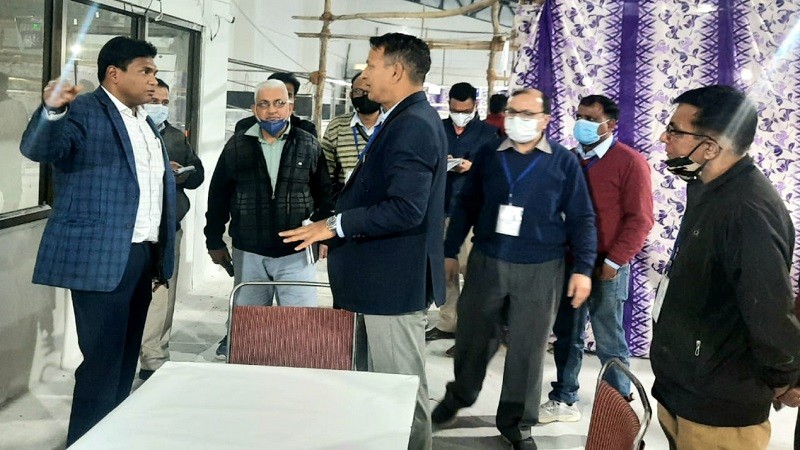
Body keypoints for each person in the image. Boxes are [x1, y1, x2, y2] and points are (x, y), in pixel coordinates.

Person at [280, 32, 447, 450]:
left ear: (397, 70)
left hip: (390, 285)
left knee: (399, 389)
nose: (365, 75)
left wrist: (334, 225)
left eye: (371, 66)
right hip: (376, 281)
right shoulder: (401, 117)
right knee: (375, 387)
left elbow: (406, 208)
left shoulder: (413, 124)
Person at [19, 36, 175, 445]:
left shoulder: (144, 121)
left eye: (155, 72)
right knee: (102, 362)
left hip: (142, 254)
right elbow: (40, 148)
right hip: (101, 257)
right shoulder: (85, 110)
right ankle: (86, 441)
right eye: (145, 71)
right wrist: (52, 110)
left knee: (125, 359)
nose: (153, 80)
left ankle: (112, 436)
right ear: (114, 74)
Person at [431, 88, 596, 450]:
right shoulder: (489, 153)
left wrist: (583, 268)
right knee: (472, 337)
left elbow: (582, 217)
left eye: (527, 114)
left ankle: (517, 423)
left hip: (541, 267)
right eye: (512, 113)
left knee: (527, 349)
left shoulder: (563, 162)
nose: (517, 120)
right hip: (487, 260)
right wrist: (449, 250)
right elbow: (467, 204)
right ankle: (460, 395)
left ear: (545, 120)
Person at [650, 85, 800, 450]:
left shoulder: (747, 211)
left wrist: (785, 377)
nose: (664, 138)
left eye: (675, 131)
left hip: (718, 404)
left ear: (710, 148)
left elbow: (768, 309)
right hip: (685, 385)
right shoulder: (706, 188)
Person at [540, 95, 653, 422]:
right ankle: (564, 397)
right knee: (568, 334)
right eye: (579, 116)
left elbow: (640, 219)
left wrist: (615, 261)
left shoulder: (629, 162)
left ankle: (617, 407)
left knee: (609, 338)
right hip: (571, 262)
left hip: (607, 264)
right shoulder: (569, 159)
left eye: (591, 118)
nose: (582, 123)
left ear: (611, 124)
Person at [205, 79, 333, 360]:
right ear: (254, 109)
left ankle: (294, 375)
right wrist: (213, 238)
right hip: (249, 252)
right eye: (264, 104)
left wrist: (324, 235)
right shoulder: (237, 146)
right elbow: (218, 196)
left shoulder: (309, 144)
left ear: (290, 107)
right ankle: (249, 375)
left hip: (296, 252)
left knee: (298, 328)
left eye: (279, 103)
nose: (272, 110)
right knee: (249, 330)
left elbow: (326, 195)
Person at [138, 78, 205, 381]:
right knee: (131, 292)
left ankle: (154, 356)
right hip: (134, 229)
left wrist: (182, 174)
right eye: (155, 101)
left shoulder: (176, 137)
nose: (160, 108)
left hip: (168, 227)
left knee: (163, 291)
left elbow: (198, 174)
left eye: (165, 103)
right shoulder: (130, 131)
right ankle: (125, 353)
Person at [426, 82, 499, 350]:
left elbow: (497, 170)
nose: (460, 115)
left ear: (475, 106)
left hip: (471, 215)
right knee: (445, 270)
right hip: (440, 210)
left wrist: (472, 167)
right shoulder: (438, 129)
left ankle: (473, 329)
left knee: (472, 272)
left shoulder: (488, 134)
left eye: (465, 111)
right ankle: (448, 322)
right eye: (455, 110)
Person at [320, 71, 383, 198]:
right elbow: (326, 173)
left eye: (370, 90)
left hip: (384, 202)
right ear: (351, 95)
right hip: (345, 201)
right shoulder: (337, 127)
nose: (365, 96)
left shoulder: (393, 125)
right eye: (358, 91)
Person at [234, 72, 317, 137]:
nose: (273, 109)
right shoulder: (245, 127)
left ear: (294, 99)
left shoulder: (306, 129)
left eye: (287, 95)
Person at [0, 71, 29, 212]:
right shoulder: (16, 107)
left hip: (9, 158)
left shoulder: (16, 107)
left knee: (11, 194)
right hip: (10, 157)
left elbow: (22, 131)